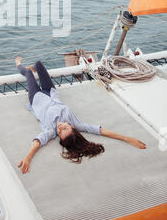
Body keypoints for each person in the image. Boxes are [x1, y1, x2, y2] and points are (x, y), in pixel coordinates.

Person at [15, 57, 147, 174]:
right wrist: (127, 138)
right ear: (72, 127)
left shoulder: (50, 131)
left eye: (60, 132)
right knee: (38, 64)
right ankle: (34, 70)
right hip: (51, 93)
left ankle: (19, 65)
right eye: (65, 128)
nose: (60, 127)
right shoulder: (76, 123)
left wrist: (27, 157)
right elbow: (100, 131)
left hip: (37, 98)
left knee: (28, 73)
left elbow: (37, 142)